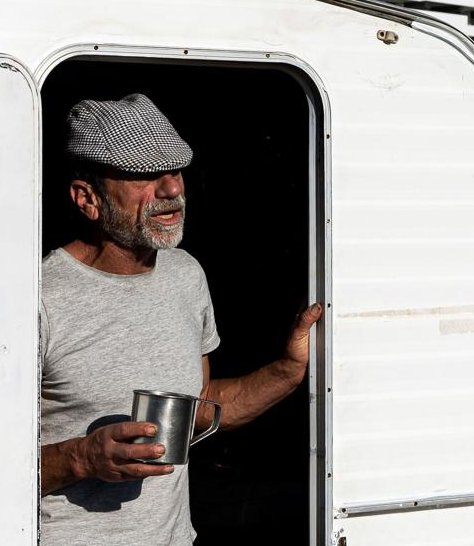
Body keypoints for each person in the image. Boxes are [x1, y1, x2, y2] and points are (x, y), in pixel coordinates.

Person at [39, 93, 322, 545]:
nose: (171, 190)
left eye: (175, 170)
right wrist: (82, 458)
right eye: (145, 176)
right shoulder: (37, 297)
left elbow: (201, 406)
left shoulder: (185, 274)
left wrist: (289, 371)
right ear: (87, 198)